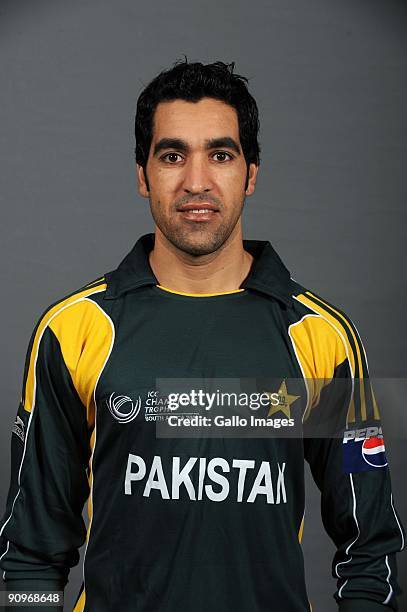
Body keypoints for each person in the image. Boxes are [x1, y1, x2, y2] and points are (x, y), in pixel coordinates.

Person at [0, 59, 405, 612]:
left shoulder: (322, 338)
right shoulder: (73, 330)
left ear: (251, 173)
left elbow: (371, 549)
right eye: (172, 156)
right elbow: (30, 552)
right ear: (143, 175)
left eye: (221, 154)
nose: (196, 182)